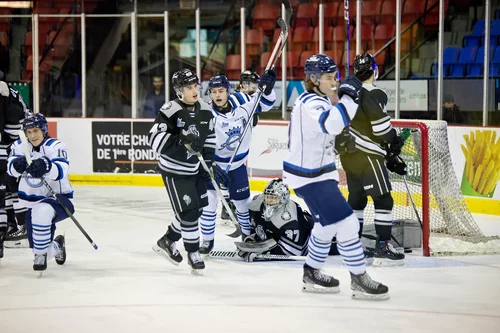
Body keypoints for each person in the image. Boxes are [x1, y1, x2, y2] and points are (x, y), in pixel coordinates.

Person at [283, 53, 389, 300]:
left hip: (317, 174)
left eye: (336, 76)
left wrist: (339, 139)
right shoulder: (311, 102)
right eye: (329, 77)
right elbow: (331, 123)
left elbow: (328, 130)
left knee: (326, 225)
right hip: (309, 177)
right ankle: (359, 278)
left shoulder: (318, 100)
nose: (334, 80)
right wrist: (350, 97)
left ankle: (311, 272)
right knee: (348, 223)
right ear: (313, 79)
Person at [338, 53, 406, 267]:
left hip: (348, 155)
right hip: (367, 156)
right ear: (374, 71)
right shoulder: (375, 92)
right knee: (383, 200)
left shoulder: (347, 92)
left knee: (357, 200)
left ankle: (354, 244)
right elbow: (380, 128)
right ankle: (383, 246)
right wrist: (393, 142)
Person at [198, 71, 276, 254]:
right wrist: (211, 166)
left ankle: (247, 237)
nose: (217, 95)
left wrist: (268, 90)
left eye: (221, 91)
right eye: (214, 92)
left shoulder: (241, 100)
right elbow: (201, 145)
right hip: (214, 167)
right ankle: (207, 241)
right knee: (209, 202)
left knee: (243, 204)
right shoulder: (206, 113)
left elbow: (265, 103)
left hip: (237, 165)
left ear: (228, 91)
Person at [149, 68, 216, 275]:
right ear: (179, 91)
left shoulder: (205, 109)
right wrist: (182, 142)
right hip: (174, 171)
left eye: (196, 86)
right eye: (189, 87)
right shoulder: (170, 109)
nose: (194, 90)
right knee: (188, 212)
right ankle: (193, 253)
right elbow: (154, 140)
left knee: (198, 208)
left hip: (195, 169)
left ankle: (168, 240)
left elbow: (210, 138)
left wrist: (208, 161)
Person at [6, 113, 70, 276]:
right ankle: (57, 245)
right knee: (38, 249)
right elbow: (10, 170)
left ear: (44, 130)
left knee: (42, 211)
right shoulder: (19, 146)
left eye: (36, 131)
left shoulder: (56, 146)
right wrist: (16, 165)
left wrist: (47, 166)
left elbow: (62, 170)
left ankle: (43, 253)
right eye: (29, 132)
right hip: (31, 202)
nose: (32, 135)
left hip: (58, 199)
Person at [219, 70, 263, 222]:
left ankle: (229, 204)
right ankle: (227, 205)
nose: (256, 87)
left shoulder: (249, 98)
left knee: (233, 172)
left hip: (239, 141)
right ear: (244, 84)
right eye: (253, 84)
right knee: (227, 173)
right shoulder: (235, 100)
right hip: (229, 142)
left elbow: (254, 121)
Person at [0, 81, 28, 262]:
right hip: (11, 143)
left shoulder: (3, 90)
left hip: (13, 144)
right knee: (8, 185)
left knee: (10, 183)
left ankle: (23, 226)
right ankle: (13, 225)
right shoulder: (8, 90)